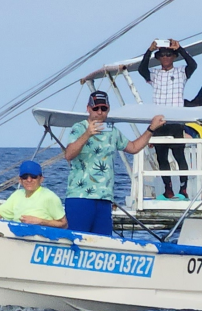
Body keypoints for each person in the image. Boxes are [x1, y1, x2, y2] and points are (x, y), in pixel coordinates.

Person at [63, 91, 166, 235]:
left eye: (103, 109)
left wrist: (151, 129)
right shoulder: (79, 128)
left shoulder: (112, 131)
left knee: (103, 242)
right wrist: (87, 134)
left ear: (108, 109)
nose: (99, 112)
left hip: (105, 198)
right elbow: (69, 154)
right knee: (76, 240)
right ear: (88, 109)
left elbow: (133, 147)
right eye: (96, 108)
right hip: (80, 197)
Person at [138, 39, 197, 199]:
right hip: (159, 122)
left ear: (174, 56)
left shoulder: (181, 72)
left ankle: (183, 188)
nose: (165, 57)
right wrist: (149, 50)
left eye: (169, 54)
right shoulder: (155, 74)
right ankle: (168, 188)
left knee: (179, 155)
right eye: (162, 55)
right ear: (158, 58)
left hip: (176, 121)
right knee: (161, 156)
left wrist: (181, 48)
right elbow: (141, 69)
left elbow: (193, 65)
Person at [0, 160, 68, 228]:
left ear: (41, 179)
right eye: (25, 177)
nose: (29, 180)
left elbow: (64, 224)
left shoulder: (49, 197)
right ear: (20, 180)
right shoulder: (17, 195)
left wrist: (40, 221)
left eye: (33, 176)